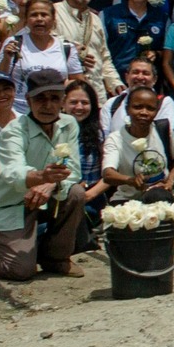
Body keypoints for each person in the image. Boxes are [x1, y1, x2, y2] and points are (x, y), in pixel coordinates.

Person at [0, 68, 86, 284]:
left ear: (63, 100)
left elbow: (72, 169)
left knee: (76, 193)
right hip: (7, 205)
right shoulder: (13, 131)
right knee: (20, 270)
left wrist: (50, 185)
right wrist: (42, 177)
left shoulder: (68, 124)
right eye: (40, 99)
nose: (47, 105)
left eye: (54, 98)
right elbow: (13, 174)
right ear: (28, 100)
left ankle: (55, 258)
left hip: (43, 198)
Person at [0, 0, 82, 112]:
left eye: (44, 15)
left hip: (54, 111)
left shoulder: (66, 48)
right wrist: (6, 58)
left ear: (54, 19)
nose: (39, 19)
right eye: (34, 15)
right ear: (26, 20)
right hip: (19, 111)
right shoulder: (14, 43)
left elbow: (78, 82)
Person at [52, 0, 117, 97]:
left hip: (95, 95)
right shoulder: (53, 13)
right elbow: (42, 46)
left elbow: (104, 57)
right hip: (65, 96)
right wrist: (68, 50)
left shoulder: (95, 19)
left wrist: (115, 83)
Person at [61, 77, 111, 243]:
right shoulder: (55, 132)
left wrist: (89, 194)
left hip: (91, 197)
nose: (79, 107)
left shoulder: (99, 134)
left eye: (85, 102)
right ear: (63, 104)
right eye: (73, 102)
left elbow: (110, 174)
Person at [101, 0, 169, 88]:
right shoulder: (108, 15)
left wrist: (156, 54)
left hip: (150, 85)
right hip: (116, 83)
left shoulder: (162, 18)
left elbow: (169, 53)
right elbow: (101, 51)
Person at [102, 57, 174, 138]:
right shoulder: (111, 104)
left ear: (155, 79)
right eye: (135, 72)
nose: (140, 77)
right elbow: (104, 137)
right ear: (126, 77)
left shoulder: (165, 103)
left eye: (145, 73)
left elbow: (168, 135)